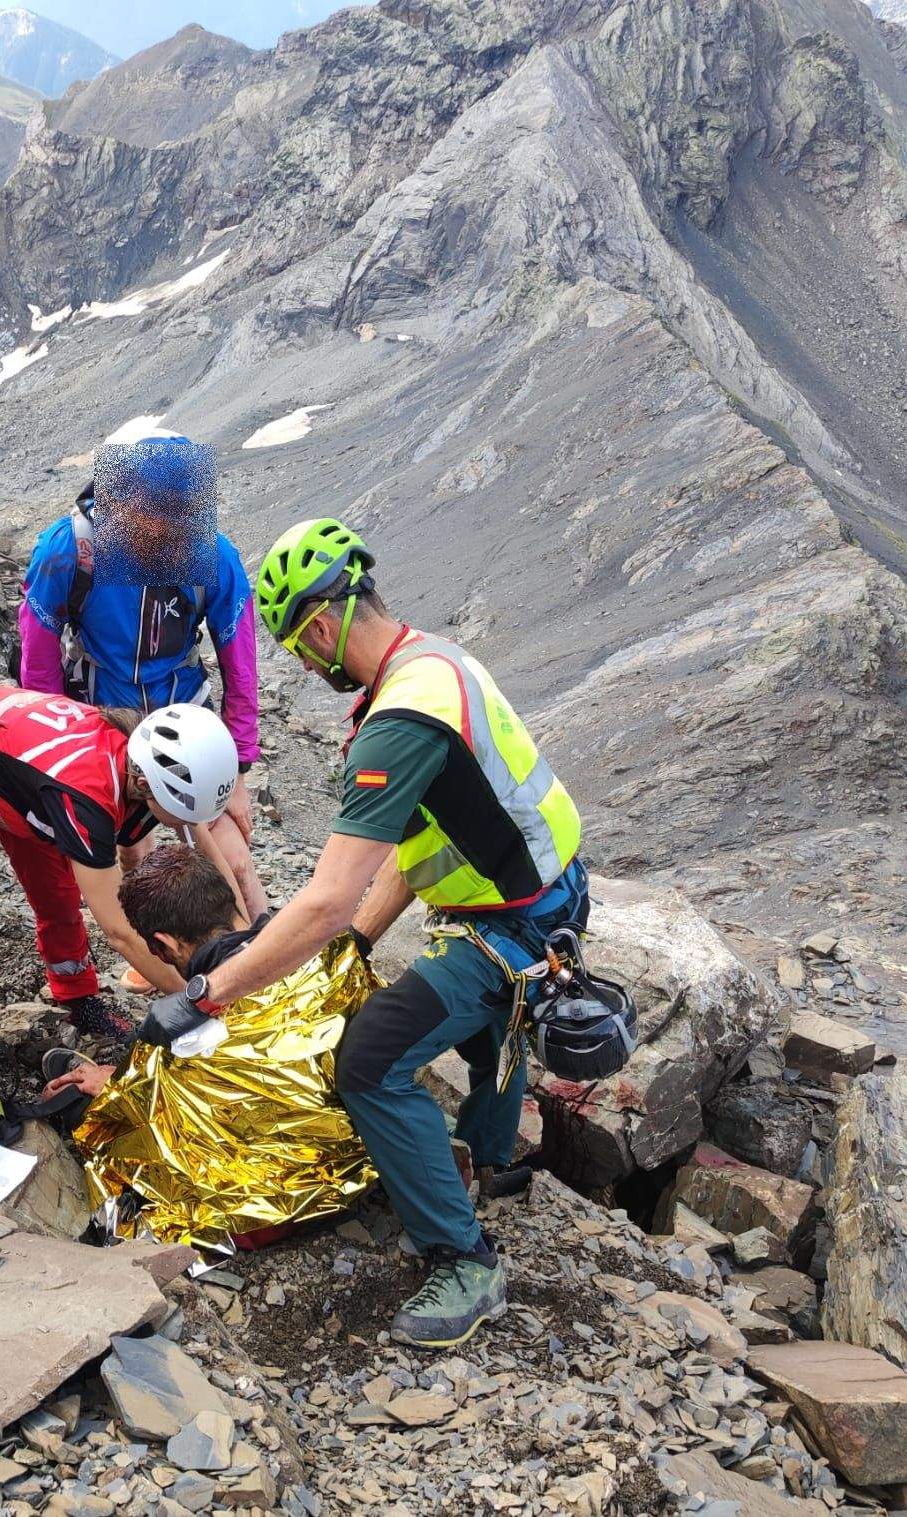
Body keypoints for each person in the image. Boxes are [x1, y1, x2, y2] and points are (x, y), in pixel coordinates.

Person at [134, 518, 587, 1349]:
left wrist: (208, 992)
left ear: (318, 625)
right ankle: (496, 1161)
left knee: (370, 1058)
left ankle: (467, 1259)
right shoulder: (435, 662)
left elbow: (327, 898)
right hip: (546, 897)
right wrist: (358, 948)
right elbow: (415, 855)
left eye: (300, 648)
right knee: (489, 1024)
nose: (307, 666)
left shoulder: (396, 722)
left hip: (511, 922)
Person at [0, 686, 245, 1039]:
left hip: (19, 778)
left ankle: (79, 998)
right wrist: (203, 1004)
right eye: (178, 814)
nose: (181, 824)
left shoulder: (143, 757)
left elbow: (204, 849)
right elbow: (120, 932)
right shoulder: (87, 798)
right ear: (144, 786)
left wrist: (247, 950)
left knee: (59, 899)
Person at [17, 433, 264, 920]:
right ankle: (167, 954)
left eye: (179, 510)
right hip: (103, 716)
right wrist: (55, 749)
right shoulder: (70, 550)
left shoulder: (214, 556)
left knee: (232, 857)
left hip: (184, 710)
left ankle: (263, 953)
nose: (167, 526)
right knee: (133, 851)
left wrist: (236, 769)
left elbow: (241, 667)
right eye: (155, 509)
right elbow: (38, 657)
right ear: (118, 500)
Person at [41, 842, 261, 1101]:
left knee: (73, 1100)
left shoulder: (197, 1039)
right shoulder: (305, 949)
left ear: (168, 944)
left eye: (158, 951)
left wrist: (121, 1087)